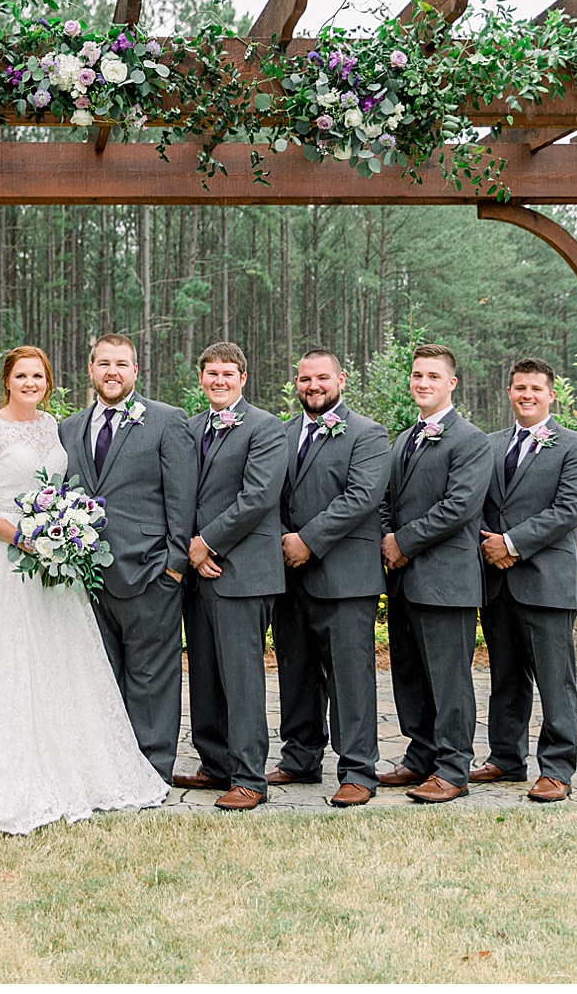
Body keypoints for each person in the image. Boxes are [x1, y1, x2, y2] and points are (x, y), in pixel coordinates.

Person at [0, 346, 168, 837]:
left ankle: (67, 769)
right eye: (21, 375)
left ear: (48, 381)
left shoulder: (53, 427)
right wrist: (27, 538)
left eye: (38, 376)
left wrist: (62, 532)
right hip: (1, 565)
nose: (30, 383)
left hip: (51, 569)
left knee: (56, 668)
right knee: (1, 669)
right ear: (7, 380)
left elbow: (62, 489)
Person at [57, 334, 194, 784]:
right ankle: (107, 770)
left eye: (122, 364)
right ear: (91, 370)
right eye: (104, 363)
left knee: (152, 678)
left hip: (150, 570)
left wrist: (174, 565)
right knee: (97, 677)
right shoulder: (69, 428)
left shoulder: (167, 421)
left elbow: (182, 498)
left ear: (136, 370)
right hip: (86, 576)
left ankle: (153, 771)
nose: (112, 371)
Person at [475, 357, 577, 803]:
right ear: (509, 392)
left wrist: (510, 543)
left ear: (551, 395)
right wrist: (489, 545)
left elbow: (569, 511)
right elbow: (472, 502)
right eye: (519, 387)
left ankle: (558, 769)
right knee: (506, 675)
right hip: (496, 581)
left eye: (535, 388)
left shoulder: (576, 448)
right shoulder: (486, 445)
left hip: (547, 581)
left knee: (554, 679)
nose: (527, 395)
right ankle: (506, 758)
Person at [274, 349, 392, 807]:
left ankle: (358, 768)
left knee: (350, 677)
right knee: (296, 670)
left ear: (341, 378)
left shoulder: (367, 434)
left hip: (345, 577)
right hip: (289, 576)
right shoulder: (282, 435)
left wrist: (307, 540)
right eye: (305, 379)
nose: (313, 386)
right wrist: (284, 541)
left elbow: (361, 497)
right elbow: (272, 494)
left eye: (322, 377)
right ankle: (301, 757)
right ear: (296, 383)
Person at [176, 341, 289, 811]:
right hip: (198, 571)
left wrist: (208, 543)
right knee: (203, 673)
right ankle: (215, 763)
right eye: (211, 373)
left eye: (228, 373)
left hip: (242, 572)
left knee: (241, 678)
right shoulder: (189, 428)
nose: (219, 380)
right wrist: (191, 551)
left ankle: (249, 778)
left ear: (243, 378)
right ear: (200, 378)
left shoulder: (266, 428)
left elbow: (258, 497)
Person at [379, 343, 493, 804]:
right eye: (417, 375)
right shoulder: (405, 438)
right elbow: (386, 499)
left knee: (449, 679)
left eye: (432, 376)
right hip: (405, 580)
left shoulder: (470, 440)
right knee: (409, 673)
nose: (422, 383)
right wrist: (388, 537)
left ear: (451, 383)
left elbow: (459, 507)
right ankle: (420, 755)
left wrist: (401, 543)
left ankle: (452, 768)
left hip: (447, 581)